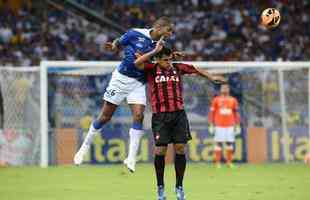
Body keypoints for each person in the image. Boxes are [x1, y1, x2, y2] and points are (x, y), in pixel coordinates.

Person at [74, 17, 175, 173]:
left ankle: (131, 158)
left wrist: (174, 55)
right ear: (160, 27)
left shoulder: (160, 46)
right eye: (169, 30)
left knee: (139, 116)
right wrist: (114, 45)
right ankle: (84, 148)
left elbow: (163, 60)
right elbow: (119, 42)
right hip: (120, 79)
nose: (170, 34)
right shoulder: (135, 33)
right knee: (105, 117)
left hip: (138, 83)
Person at [134, 39, 226, 200]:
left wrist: (211, 77)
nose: (169, 62)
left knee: (180, 149)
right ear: (157, 59)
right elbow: (138, 62)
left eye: (170, 59)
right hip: (160, 116)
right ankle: (160, 188)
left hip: (179, 115)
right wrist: (155, 51)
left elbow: (195, 69)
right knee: (160, 150)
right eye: (165, 60)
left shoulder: (177, 68)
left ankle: (179, 187)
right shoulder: (151, 69)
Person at [208, 84, 241, 168]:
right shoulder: (216, 100)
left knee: (229, 143)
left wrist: (237, 125)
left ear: (229, 89)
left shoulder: (233, 100)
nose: (225, 89)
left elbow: (236, 113)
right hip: (219, 125)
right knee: (218, 143)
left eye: (226, 88)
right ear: (220, 90)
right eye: (223, 88)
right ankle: (217, 163)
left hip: (230, 125)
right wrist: (211, 124)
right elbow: (212, 113)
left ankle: (229, 163)